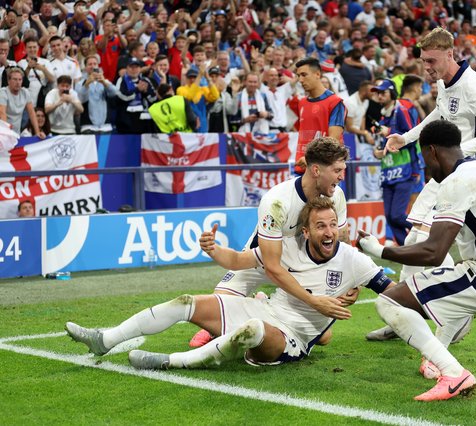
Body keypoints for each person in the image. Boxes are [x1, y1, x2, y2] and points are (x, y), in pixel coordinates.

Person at [65, 197, 392, 370]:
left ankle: (169, 362)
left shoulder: (353, 260)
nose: (330, 231)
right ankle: (105, 340)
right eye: (321, 225)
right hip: (263, 308)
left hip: (289, 337)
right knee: (185, 302)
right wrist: (213, 249)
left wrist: (431, 304)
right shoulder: (288, 248)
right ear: (305, 231)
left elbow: (392, 292)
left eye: (333, 224)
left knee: (253, 329)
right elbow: (238, 262)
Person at [358, 119, 476, 401]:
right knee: (438, 276)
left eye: (424, 158)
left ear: (432, 151)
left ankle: (452, 371)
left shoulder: (455, 181)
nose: (426, 168)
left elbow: (433, 252)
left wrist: (378, 250)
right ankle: (452, 321)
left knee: (388, 301)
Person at [366, 27, 476, 341]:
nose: (426, 68)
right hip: (446, 174)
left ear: (450, 53)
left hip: (466, 177)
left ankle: (456, 315)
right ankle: (403, 316)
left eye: (431, 61)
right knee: (417, 237)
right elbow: (438, 116)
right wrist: (406, 137)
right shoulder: (445, 84)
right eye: (423, 62)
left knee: (430, 244)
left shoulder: (475, 87)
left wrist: (457, 155)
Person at [189, 137, 353, 348]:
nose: (342, 176)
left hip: (298, 266)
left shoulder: (336, 196)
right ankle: (248, 311)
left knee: (323, 337)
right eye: (337, 170)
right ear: (316, 170)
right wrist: (312, 301)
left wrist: (352, 278)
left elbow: (343, 239)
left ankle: (261, 304)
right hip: (261, 258)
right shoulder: (277, 201)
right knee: (218, 306)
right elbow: (269, 266)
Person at [370, 79, 421, 246]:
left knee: (397, 215)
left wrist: (390, 132)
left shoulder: (401, 110)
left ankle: (427, 232)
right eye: (377, 92)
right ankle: (406, 249)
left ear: (391, 92)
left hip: (405, 171)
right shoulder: (383, 115)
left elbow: (412, 138)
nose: (379, 95)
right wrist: (377, 152)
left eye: (382, 92)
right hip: (388, 172)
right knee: (390, 217)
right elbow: (382, 146)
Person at [294, 57, 345, 174]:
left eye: (304, 75)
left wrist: (310, 160)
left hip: (326, 171)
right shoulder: (302, 103)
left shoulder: (335, 102)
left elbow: (333, 141)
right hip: (303, 167)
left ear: (317, 74)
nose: (300, 80)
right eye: (298, 76)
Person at [0, 68, 45, 138]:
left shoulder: (25, 92)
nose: (17, 82)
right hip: (3, 132)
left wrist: (37, 132)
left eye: (20, 79)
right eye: (14, 79)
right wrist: (7, 134)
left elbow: (32, 113)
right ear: (8, 81)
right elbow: (2, 113)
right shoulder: (3, 92)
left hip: (16, 133)